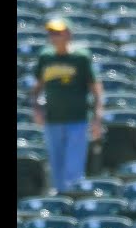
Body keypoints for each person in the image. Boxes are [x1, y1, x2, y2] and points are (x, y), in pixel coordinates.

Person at [29, 17, 104, 194]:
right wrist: (36, 109)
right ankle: (61, 202)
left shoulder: (80, 58)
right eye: (51, 33)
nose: (53, 37)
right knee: (56, 167)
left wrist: (97, 117)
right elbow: (37, 88)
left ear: (68, 34)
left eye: (58, 33)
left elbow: (96, 89)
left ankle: (73, 202)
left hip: (77, 120)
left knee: (73, 169)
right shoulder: (46, 57)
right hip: (53, 120)